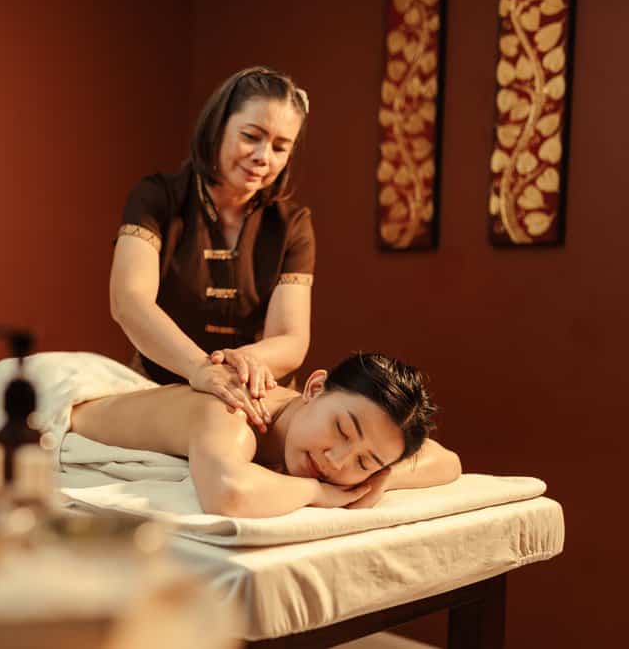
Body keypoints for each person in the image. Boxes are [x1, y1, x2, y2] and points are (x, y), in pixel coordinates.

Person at [111, 66, 315, 433]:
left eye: (280, 147)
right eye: (251, 136)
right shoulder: (157, 198)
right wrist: (199, 369)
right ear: (218, 127)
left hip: (253, 399)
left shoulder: (291, 223)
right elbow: (129, 300)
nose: (263, 156)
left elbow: (292, 339)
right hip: (160, 390)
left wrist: (238, 362)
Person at [71, 351, 461, 518]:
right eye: (341, 429)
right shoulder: (236, 413)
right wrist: (319, 493)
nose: (336, 461)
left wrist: (383, 478)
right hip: (65, 403)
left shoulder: (330, 435)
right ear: (314, 388)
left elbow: (448, 462)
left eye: (364, 461)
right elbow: (230, 494)